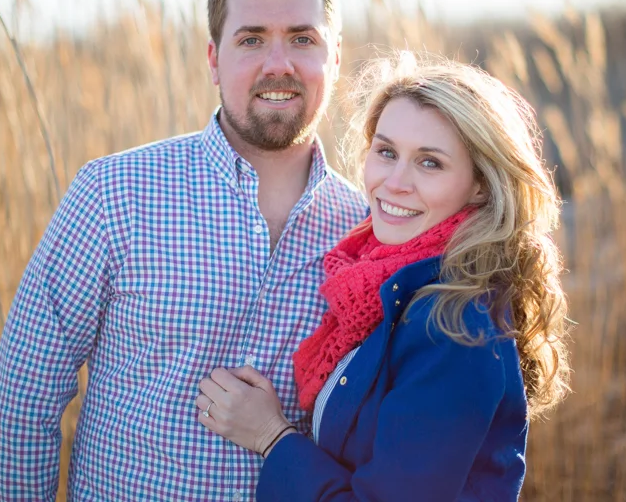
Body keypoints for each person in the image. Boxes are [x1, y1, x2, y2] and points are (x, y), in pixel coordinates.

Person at [0, 0, 368, 501]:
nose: (278, 64)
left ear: (334, 58)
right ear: (213, 60)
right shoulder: (114, 194)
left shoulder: (367, 231)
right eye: (251, 39)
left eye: (302, 39)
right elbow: (25, 396)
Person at [196, 55, 571, 501]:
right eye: (387, 152)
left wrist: (271, 437)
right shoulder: (387, 282)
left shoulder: (454, 326)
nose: (395, 182)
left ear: (480, 186)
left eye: (430, 163)